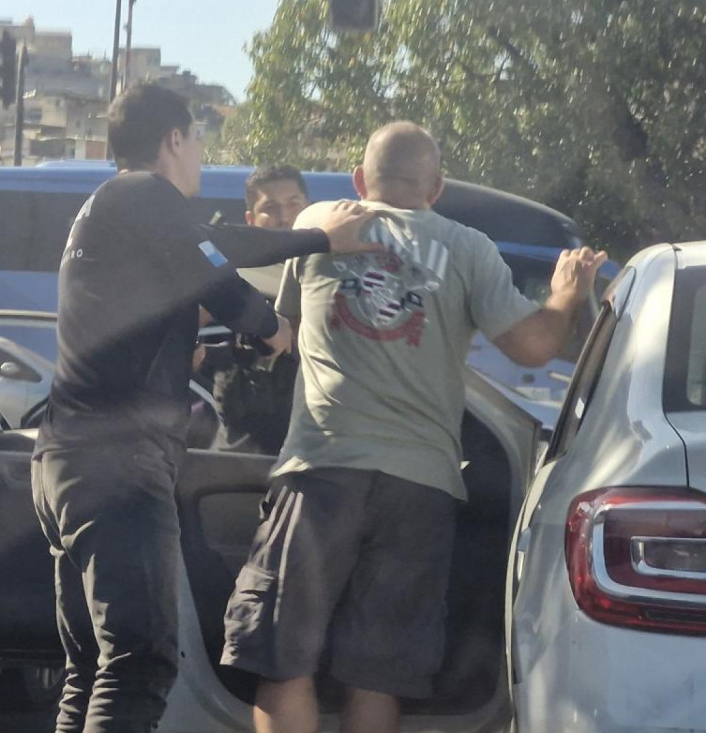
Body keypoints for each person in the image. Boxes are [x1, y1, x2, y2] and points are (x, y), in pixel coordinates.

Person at [219, 121, 606, 733]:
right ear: (437, 188)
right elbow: (534, 347)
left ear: (358, 179)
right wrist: (565, 294)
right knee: (378, 673)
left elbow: (284, 330)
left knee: (283, 659)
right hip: (421, 485)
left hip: (322, 468)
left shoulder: (318, 222)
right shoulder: (469, 248)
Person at [31, 82, 379, 733]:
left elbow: (214, 249)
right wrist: (275, 319)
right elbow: (216, 273)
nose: (199, 156)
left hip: (68, 459)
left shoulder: (112, 207)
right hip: (118, 464)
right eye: (197, 141)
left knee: (92, 672)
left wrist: (309, 244)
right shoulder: (145, 193)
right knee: (138, 667)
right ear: (174, 139)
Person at [196, 165, 311, 454]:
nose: (285, 217)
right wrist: (213, 356)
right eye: (270, 208)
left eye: (293, 204)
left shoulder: (331, 272)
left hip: (316, 433)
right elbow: (181, 325)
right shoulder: (234, 278)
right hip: (247, 436)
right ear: (250, 219)